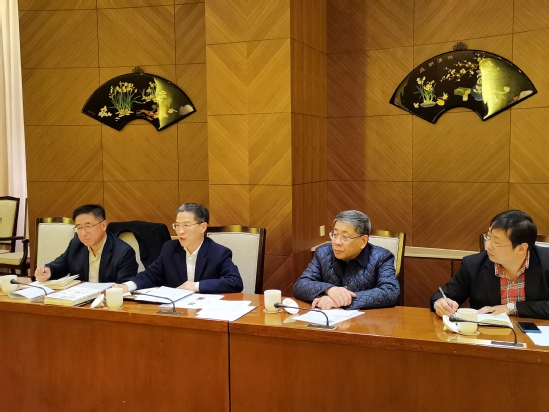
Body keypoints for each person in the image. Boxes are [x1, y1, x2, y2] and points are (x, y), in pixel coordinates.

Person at [431, 210, 549, 320]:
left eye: (496, 242)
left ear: (521, 248)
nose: (488, 246)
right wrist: (440, 303)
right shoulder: (473, 265)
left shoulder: (546, 262)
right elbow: (442, 295)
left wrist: (511, 308)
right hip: (486, 333)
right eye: (488, 237)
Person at [115, 203, 243, 293]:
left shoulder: (218, 252)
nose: (180, 231)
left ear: (202, 227)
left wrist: (196, 286)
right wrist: (127, 286)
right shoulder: (170, 248)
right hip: (177, 311)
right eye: (177, 225)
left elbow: (234, 282)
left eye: (186, 225)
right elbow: (151, 275)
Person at [293, 210, 400, 310]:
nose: (336, 242)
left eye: (345, 237)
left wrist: (342, 301)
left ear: (363, 241)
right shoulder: (323, 253)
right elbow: (300, 285)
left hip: (366, 320)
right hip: (328, 318)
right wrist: (330, 289)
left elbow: (390, 292)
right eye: (335, 235)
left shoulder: (382, 257)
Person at [34, 204, 138, 283]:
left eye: (88, 226)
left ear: (103, 225)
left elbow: (124, 287)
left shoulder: (123, 253)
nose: (83, 233)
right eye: (79, 228)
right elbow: (59, 266)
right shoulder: (76, 244)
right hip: (79, 300)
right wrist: (48, 271)